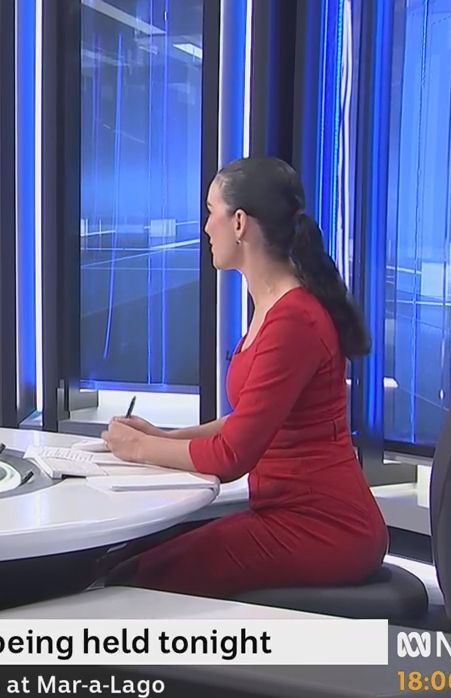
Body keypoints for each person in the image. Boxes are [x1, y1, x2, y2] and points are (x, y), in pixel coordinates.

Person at [99, 156, 388, 598]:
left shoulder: (294, 319)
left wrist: (139, 448)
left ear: (239, 223)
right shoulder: (274, 308)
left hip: (325, 527)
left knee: (135, 579)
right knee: (131, 558)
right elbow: (246, 423)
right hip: (289, 514)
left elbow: (232, 455)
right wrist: (163, 436)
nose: (205, 228)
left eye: (210, 212)